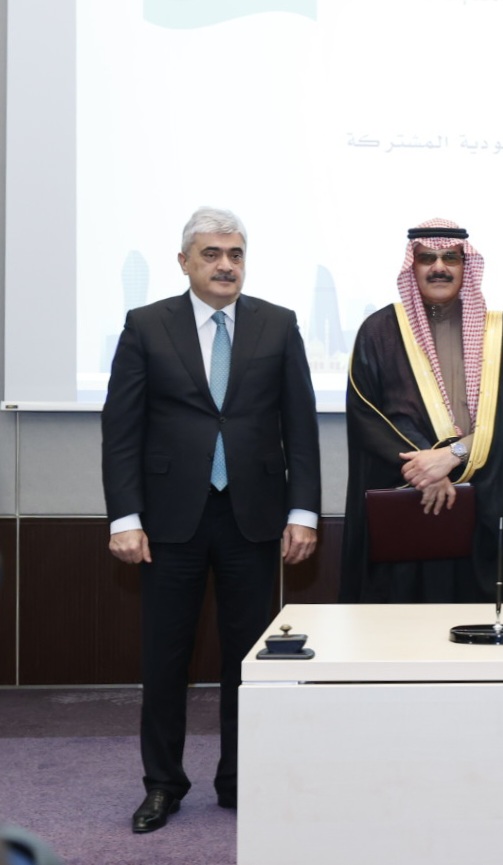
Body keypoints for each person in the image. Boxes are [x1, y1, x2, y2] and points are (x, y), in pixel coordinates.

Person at [101, 207, 320, 833]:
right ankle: (163, 784)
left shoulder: (278, 324)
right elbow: (121, 430)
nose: (226, 265)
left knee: (247, 660)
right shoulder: (146, 325)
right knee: (165, 659)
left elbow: (301, 426)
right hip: (169, 522)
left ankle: (240, 780)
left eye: (236, 254)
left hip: (254, 518)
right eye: (212, 254)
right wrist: (124, 517)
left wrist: (303, 510)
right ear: (184, 262)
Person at [339, 218, 503, 604]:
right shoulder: (378, 331)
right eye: (427, 258)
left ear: (465, 265)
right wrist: (424, 468)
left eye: (450, 258)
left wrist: (452, 456)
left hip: (483, 504)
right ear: (412, 266)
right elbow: (366, 415)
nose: (439, 267)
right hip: (409, 500)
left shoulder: (497, 331)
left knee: (474, 620)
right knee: (405, 621)